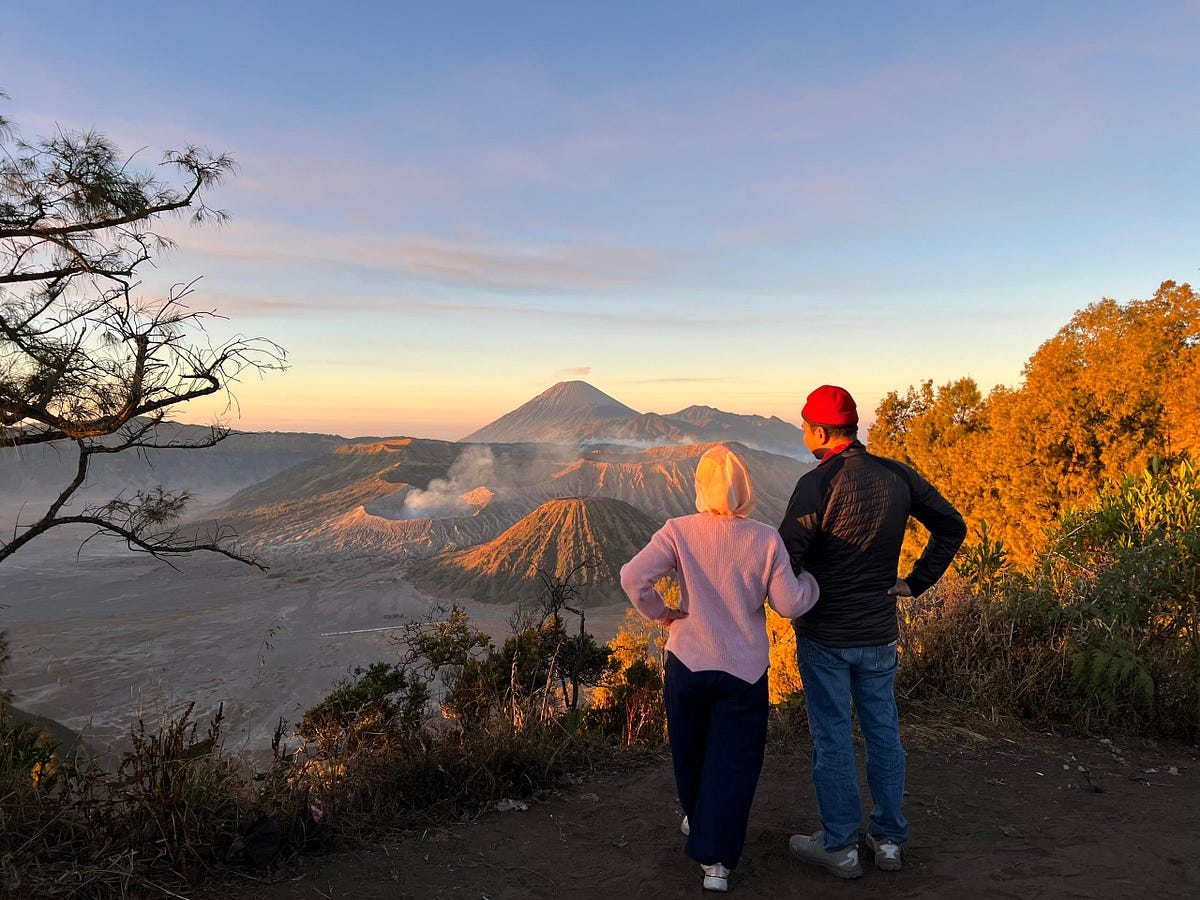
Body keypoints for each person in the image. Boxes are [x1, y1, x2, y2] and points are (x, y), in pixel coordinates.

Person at [779, 385, 966, 879]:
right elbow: (951, 526)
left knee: (834, 736)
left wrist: (792, 603)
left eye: (804, 427)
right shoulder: (897, 475)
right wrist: (915, 582)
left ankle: (839, 847)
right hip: (880, 631)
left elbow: (784, 559)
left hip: (825, 636)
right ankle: (888, 841)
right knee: (883, 732)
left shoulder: (816, 484)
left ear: (819, 432)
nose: (804, 435)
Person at [620, 445, 820, 893]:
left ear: (700, 486)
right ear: (745, 487)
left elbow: (633, 577)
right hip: (744, 669)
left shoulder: (678, 531)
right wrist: (810, 585)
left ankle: (698, 821)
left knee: (690, 750)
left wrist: (663, 614)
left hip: (688, 659)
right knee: (734, 762)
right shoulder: (766, 538)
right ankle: (716, 863)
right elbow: (788, 604)